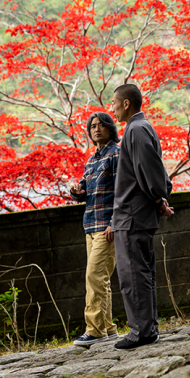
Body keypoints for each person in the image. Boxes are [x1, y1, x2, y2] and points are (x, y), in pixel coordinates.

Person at [109, 83, 175, 350]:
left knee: (133, 275)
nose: (112, 109)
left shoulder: (135, 130)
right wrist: (159, 199)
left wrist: (159, 197)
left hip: (132, 215)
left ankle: (141, 331)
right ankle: (147, 327)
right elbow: (152, 170)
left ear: (126, 103)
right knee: (143, 273)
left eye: (114, 103)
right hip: (138, 213)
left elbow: (147, 170)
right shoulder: (141, 128)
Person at [69, 111, 122, 347]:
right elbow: (84, 189)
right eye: (92, 127)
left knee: (94, 276)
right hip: (89, 223)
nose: (96, 129)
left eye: (101, 125)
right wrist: (76, 191)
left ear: (111, 128)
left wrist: (114, 222)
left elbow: (123, 191)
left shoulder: (117, 154)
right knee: (102, 280)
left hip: (106, 226)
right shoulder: (91, 160)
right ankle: (108, 328)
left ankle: (94, 330)